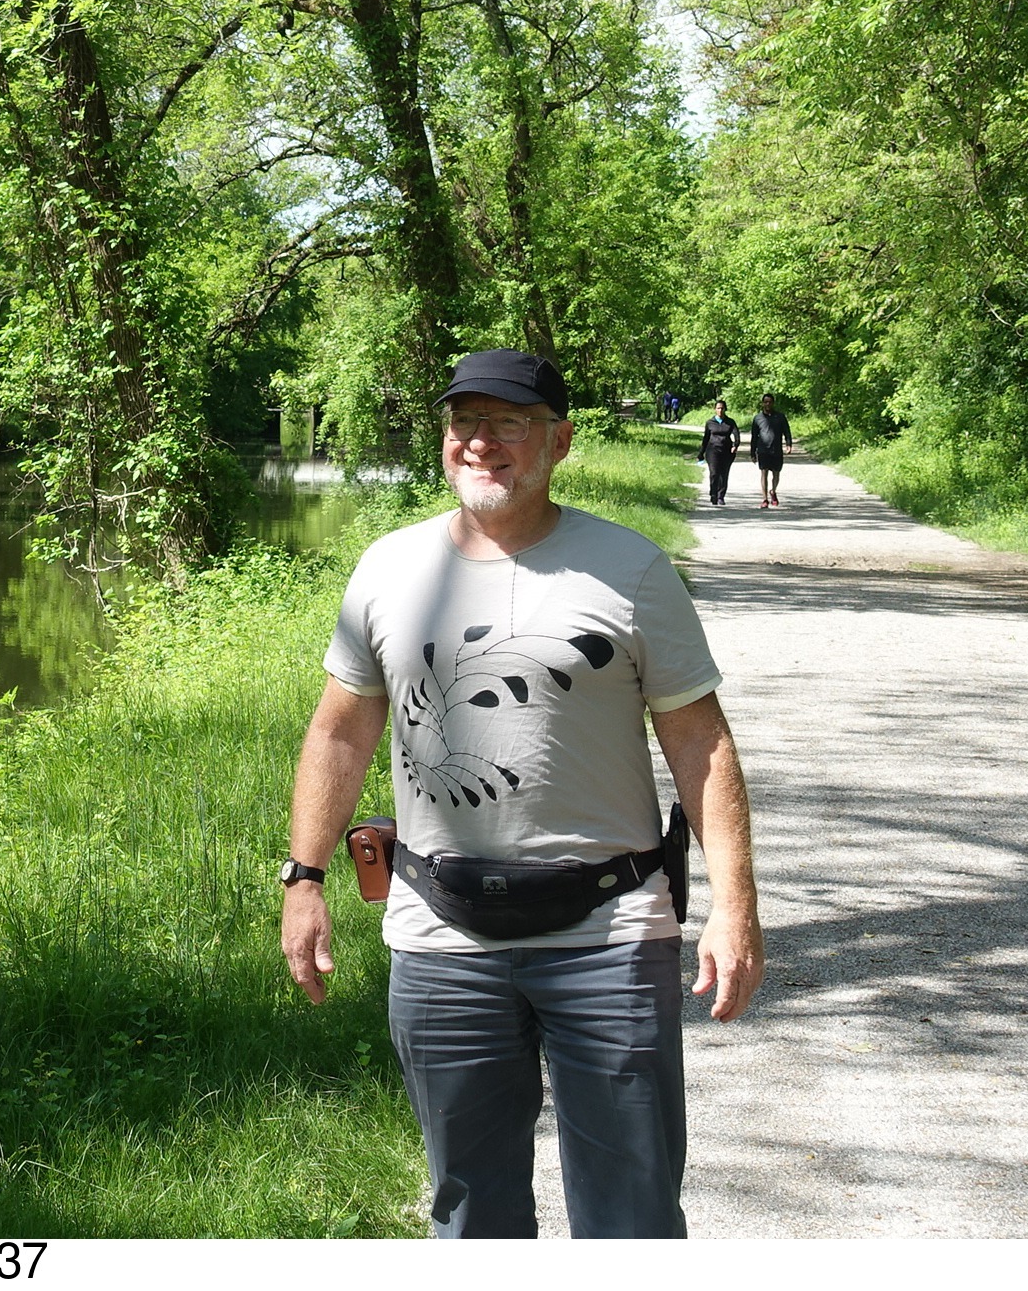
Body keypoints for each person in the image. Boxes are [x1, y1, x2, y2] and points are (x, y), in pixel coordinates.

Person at [279, 348, 765, 1239]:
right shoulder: (389, 568)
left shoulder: (630, 569)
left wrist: (735, 907)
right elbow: (339, 732)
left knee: (631, 1218)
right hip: (441, 936)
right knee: (470, 1210)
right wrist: (303, 879)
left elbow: (701, 743)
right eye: (465, 420)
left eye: (510, 422)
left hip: (608, 938)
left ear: (559, 442)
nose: (482, 441)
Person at [750, 392, 792, 509]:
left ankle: (773, 491)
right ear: (762, 403)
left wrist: (788, 444)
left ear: (773, 403)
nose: (768, 404)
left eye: (770, 402)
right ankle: (764, 499)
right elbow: (754, 437)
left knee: (776, 473)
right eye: (766, 402)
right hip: (763, 450)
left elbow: (787, 432)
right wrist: (752, 452)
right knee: (764, 473)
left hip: (776, 449)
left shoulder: (780, 417)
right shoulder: (758, 418)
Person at [698, 398, 738, 508]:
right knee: (714, 473)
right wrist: (701, 453)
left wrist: (735, 445)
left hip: (726, 451)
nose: (720, 410)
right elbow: (706, 438)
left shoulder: (730, 422)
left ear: (725, 409)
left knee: (723, 474)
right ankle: (713, 494)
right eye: (718, 408)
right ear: (715, 409)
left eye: (722, 408)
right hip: (712, 451)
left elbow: (736, 434)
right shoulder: (710, 423)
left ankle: (721, 496)